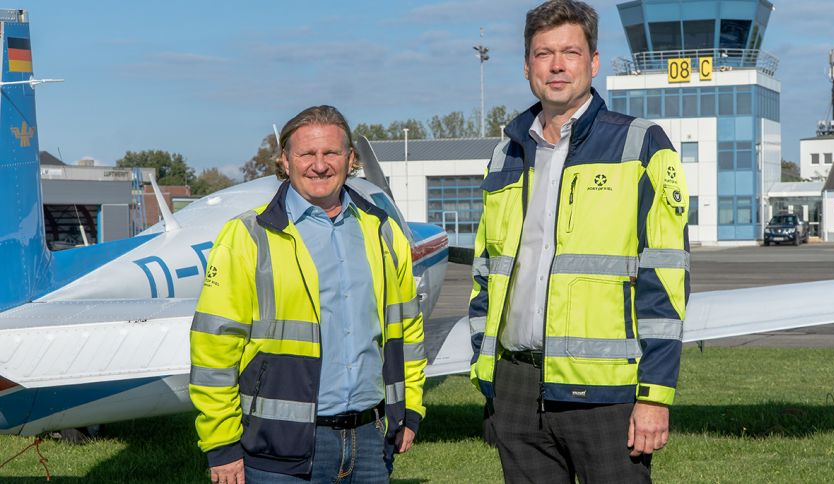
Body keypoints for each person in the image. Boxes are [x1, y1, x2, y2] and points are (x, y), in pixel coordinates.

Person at [468, 1, 690, 482]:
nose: (557, 65)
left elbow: (666, 280)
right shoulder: (507, 153)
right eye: (543, 53)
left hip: (606, 395)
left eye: (570, 52)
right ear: (527, 65)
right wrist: (484, 362)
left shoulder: (641, 145)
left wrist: (654, 395)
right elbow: (487, 269)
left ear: (593, 62)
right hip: (516, 387)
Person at [189, 105, 426, 483]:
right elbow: (213, 348)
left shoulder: (383, 231)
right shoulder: (248, 235)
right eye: (306, 154)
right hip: (277, 447)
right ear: (285, 160)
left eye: (331, 152)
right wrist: (221, 444)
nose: (319, 165)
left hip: (369, 441)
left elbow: (408, 329)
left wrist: (409, 409)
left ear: (350, 159)